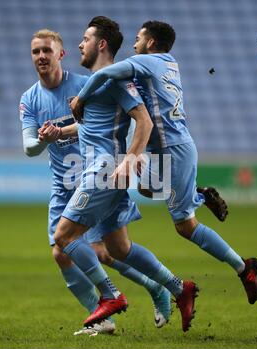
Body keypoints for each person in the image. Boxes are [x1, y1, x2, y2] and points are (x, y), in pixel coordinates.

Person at [70, 20, 257, 306]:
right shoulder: (169, 63)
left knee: (185, 227)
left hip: (173, 149)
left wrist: (80, 98)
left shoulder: (148, 62)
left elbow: (108, 71)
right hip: (161, 151)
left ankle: (244, 268)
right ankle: (197, 194)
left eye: (138, 38)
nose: (133, 45)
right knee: (147, 189)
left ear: (150, 43)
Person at [50, 16, 199, 332]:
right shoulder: (100, 83)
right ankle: (176, 288)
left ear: (101, 44)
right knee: (117, 249)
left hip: (104, 169)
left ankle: (110, 295)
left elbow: (143, 120)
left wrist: (132, 159)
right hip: (108, 169)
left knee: (62, 238)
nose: (80, 44)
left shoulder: (116, 80)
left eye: (86, 38)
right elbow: (95, 126)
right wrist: (60, 132)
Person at [20, 29, 171, 336]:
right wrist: (44, 139)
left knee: (110, 250)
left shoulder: (87, 84)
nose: (41, 57)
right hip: (63, 183)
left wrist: (131, 157)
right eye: (36, 52)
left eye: (47, 50)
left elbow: (112, 122)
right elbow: (29, 148)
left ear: (60, 54)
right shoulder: (29, 99)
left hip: (95, 175)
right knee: (64, 252)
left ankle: (152, 289)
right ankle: (102, 315)